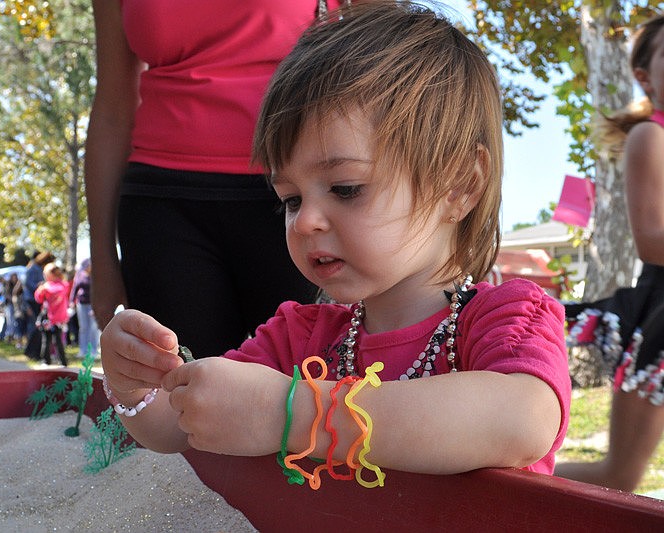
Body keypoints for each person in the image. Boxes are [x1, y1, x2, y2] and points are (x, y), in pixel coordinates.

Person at [100, 1, 571, 478]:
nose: (305, 223)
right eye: (290, 199)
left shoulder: (503, 319)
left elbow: (522, 421)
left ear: (460, 185)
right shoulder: (300, 338)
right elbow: (187, 424)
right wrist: (136, 389)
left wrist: (292, 415)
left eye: (346, 189)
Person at [84, 0, 335, 359]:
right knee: (182, 394)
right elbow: (111, 109)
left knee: (315, 387)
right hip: (162, 207)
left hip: (296, 193)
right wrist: (103, 262)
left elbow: (379, 59)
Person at [555, 15, 664, 492]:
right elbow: (651, 239)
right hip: (659, 321)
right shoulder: (651, 136)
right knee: (619, 475)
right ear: (644, 76)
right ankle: (496, 488)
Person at [34, 263, 69, 367]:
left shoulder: (62, 285)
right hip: (47, 318)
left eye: (46, 273)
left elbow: (59, 291)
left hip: (58, 318)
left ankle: (63, 362)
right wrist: (40, 291)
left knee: (58, 340)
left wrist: (45, 289)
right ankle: (46, 360)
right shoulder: (46, 285)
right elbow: (38, 299)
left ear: (52, 274)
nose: (44, 275)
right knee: (46, 339)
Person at [23, 251, 55, 360]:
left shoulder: (38, 269)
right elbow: (28, 283)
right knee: (37, 326)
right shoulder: (33, 268)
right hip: (33, 300)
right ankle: (31, 351)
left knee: (39, 326)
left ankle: (36, 352)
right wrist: (39, 287)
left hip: (39, 300)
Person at [70, 258, 100, 359]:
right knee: (83, 327)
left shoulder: (96, 275)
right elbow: (75, 288)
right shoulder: (80, 274)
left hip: (93, 304)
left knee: (93, 328)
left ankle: (93, 351)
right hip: (81, 304)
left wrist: (97, 305)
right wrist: (71, 301)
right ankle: (83, 350)